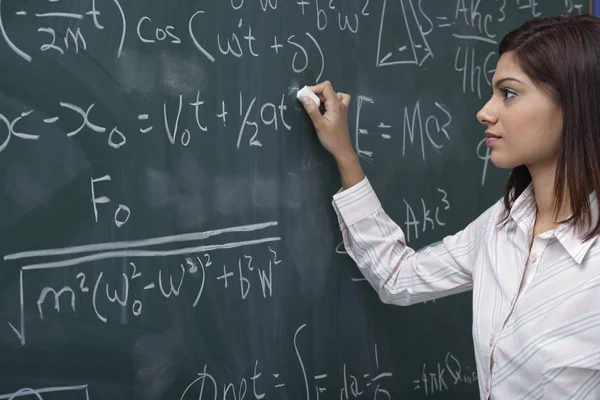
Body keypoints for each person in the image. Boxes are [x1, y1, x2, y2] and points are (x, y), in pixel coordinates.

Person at [298, 12, 600, 400]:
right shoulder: (502, 226)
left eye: (508, 93)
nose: (485, 112)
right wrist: (343, 152)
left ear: (575, 104)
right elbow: (398, 277)